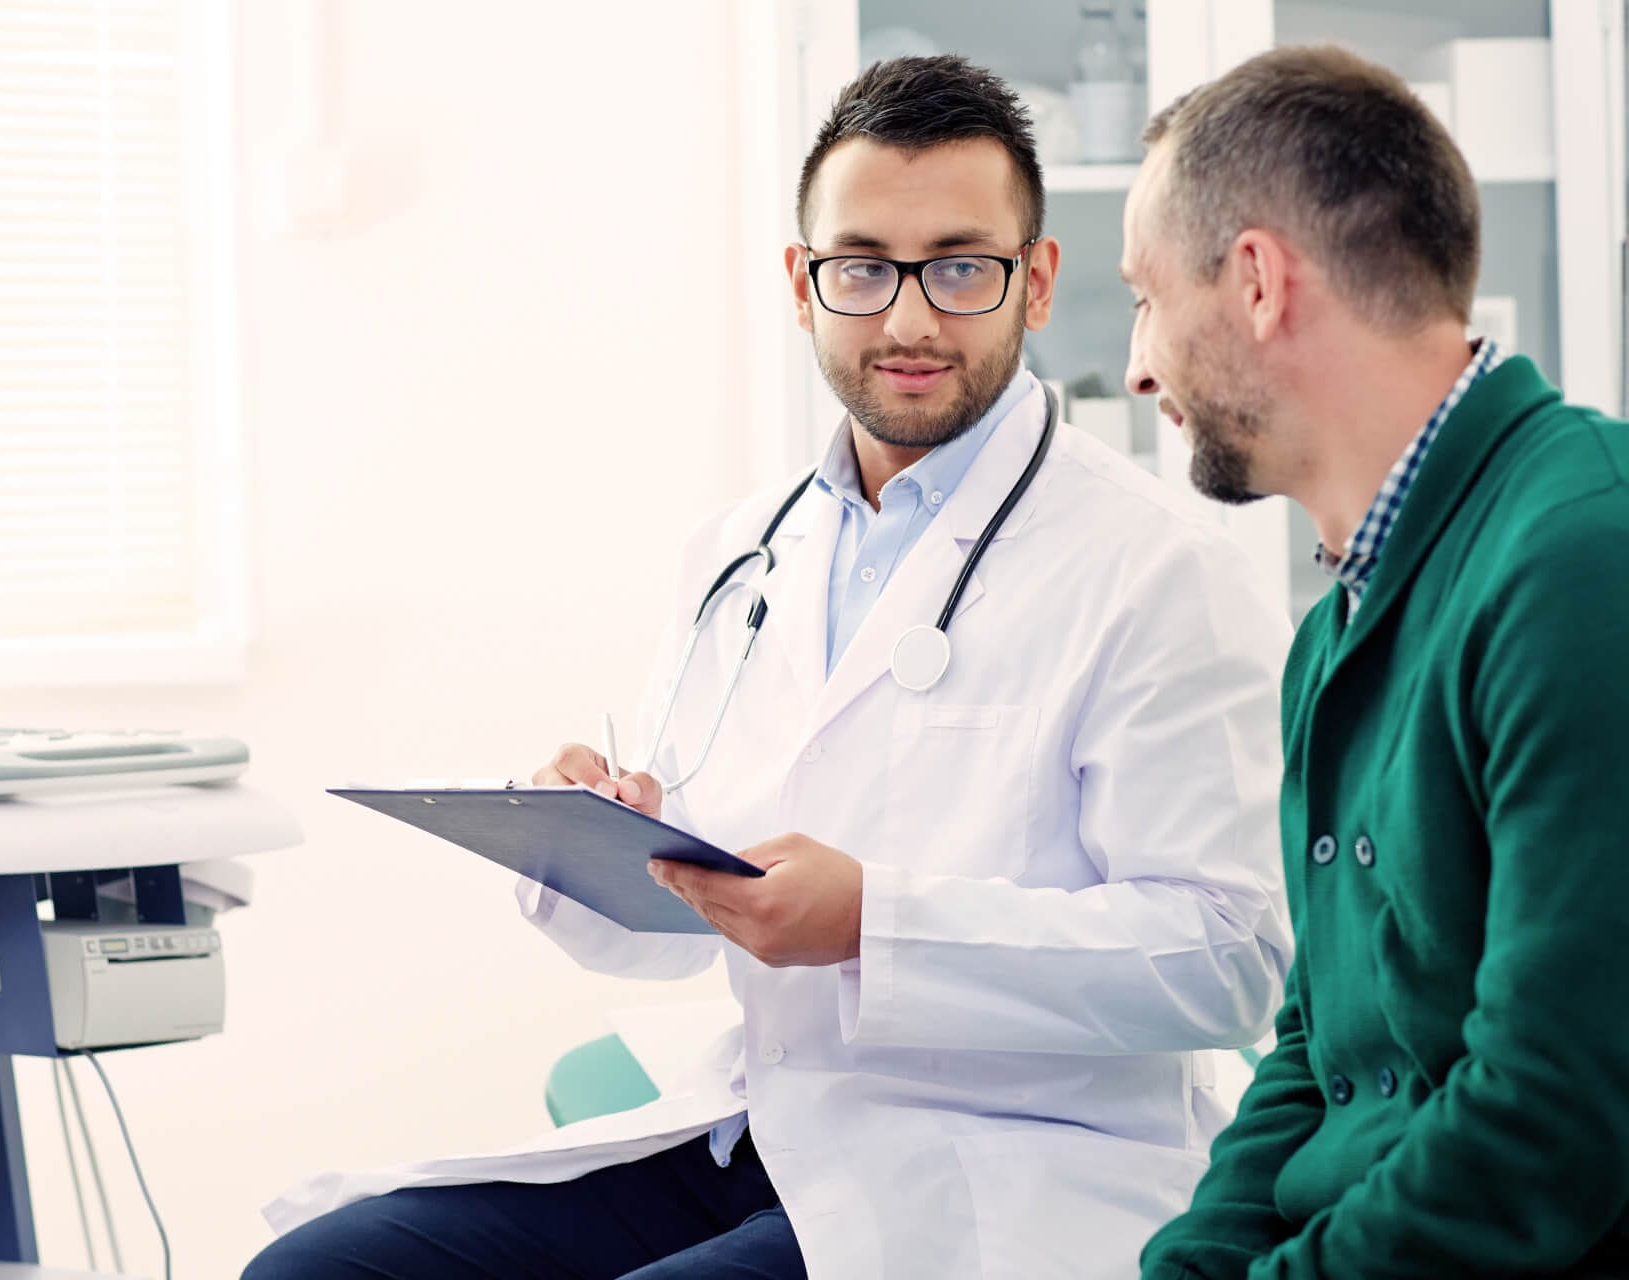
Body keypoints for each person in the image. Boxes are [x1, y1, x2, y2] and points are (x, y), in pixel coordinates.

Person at [249, 55, 1292, 1279]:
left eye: (959, 266)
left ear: (1038, 282)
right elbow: (692, 928)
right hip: (763, 1129)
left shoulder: (1160, 567)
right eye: (861, 267)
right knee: (315, 1272)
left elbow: (1228, 958)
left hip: (1013, 1169)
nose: (907, 319)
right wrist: (602, 838)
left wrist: (875, 923)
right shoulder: (742, 550)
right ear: (802, 287)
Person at [1125, 45, 1629, 1279]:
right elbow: (1315, 1049)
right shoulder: (1333, 634)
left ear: (1253, 281)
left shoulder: (1578, 559)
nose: (1136, 363)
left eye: (1145, 296)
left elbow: (1545, 1121)